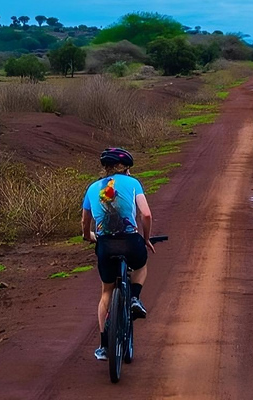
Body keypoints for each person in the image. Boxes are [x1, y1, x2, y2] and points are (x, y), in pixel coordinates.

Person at [81, 147, 155, 361]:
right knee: (140, 266)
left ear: (106, 168)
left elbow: (85, 222)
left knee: (106, 293)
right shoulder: (133, 184)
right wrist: (146, 238)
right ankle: (134, 298)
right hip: (130, 242)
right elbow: (147, 214)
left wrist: (89, 236)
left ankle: (104, 346)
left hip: (105, 244)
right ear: (126, 169)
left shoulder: (93, 188)